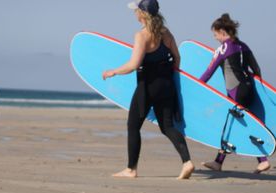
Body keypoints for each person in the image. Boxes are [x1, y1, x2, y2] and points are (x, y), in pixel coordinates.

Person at [102, 0, 195, 179]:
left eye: (136, 10)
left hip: (148, 86)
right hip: (166, 85)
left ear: (143, 13)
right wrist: (170, 78)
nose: (134, 13)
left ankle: (131, 169)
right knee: (167, 126)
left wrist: (114, 71)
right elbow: (177, 57)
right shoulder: (166, 33)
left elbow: (134, 64)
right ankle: (187, 161)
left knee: (133, 125)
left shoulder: (142, 35)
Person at [199, 13, 271, 174]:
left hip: (236, 92)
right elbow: (257, 70)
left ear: (222, 31)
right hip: (249, 89)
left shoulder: (223, 48)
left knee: (234, 125)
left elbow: (209, 72)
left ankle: (263, 160)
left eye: (215, 33)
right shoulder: (243, 46)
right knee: (234, 124)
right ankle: (219, 162)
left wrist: (196, 87)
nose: (215, 37)